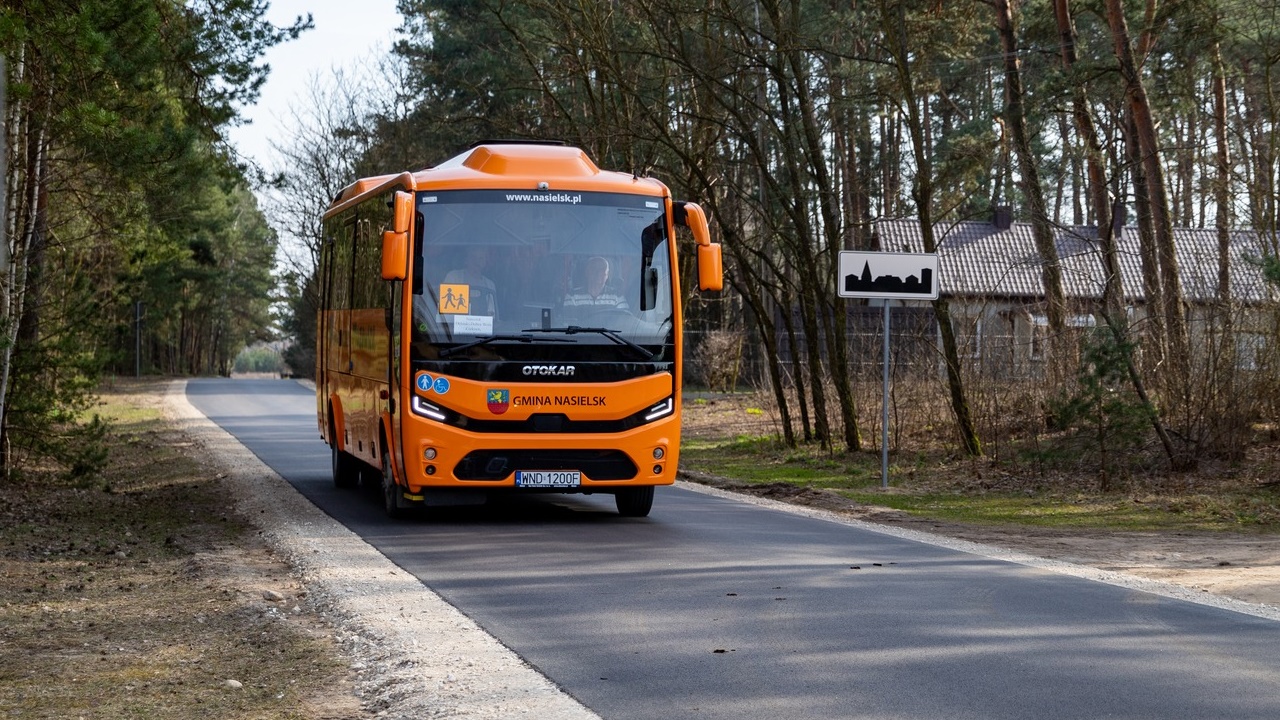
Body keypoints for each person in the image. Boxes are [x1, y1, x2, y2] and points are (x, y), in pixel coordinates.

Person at [562, 256, 629, 315]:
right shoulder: (572, 296)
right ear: (587, 272)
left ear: (607, 275)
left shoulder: (617, 297)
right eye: (594, 268)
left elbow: (623, 321)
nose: (598, 272)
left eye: (602, 269)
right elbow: (568, 322)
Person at [443, 246, 497, 316]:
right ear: (466, 260)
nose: (477, 262)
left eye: (481, 258)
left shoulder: (490, 285)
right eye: (473, 257)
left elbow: (492, 315)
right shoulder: (453, 277)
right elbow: (446, 313)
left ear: (485, 262)